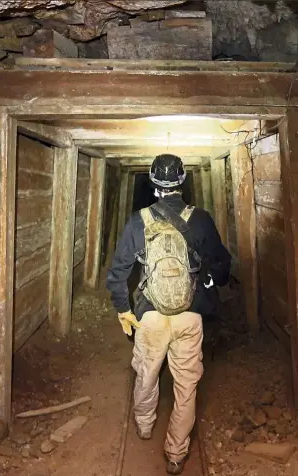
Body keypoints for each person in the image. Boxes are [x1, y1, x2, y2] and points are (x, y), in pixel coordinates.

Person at [107, 154, 231, 475]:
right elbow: (222, 265)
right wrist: (207, 279)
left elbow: (118, 274)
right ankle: (176, 452)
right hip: (190, 315)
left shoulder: (138, 221)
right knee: (186, 384)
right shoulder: (200, 219)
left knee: (147, 374)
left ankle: (145, 425)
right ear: (182, 181)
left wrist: (124, 309)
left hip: (151, 315)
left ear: (152, 182)